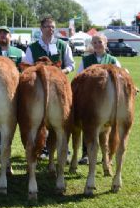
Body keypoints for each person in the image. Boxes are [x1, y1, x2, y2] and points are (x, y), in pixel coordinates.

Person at [24, 16, 75, 159]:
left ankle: (63, 148)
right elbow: (27, 67)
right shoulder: (32, 47)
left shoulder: (63, 45)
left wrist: (60, 72)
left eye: (53, 26)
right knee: (39, 118)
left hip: (59, 87)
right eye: (47, 26)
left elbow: (71, 65)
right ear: (41, 29)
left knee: (62, 118)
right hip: (38, 88)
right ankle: (42, 148)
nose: (51, 29)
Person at [76, 34, 121, 165]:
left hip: (109, 99)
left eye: (99, 42)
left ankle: (107, 155)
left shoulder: (113, 60)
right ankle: (86, 154)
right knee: (88, 125)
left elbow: (122, 76)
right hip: (90, 99)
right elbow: (79, 77)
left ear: (105, 44)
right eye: (94, 42)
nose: (96, 45)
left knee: (109, 127)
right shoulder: (86, 60)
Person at [0, 26, 26, 154]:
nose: (2, 36)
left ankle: (3, 144)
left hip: (13, 93)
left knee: (9, 119)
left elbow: (25, 71)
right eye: (0, 34)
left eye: (5, 33)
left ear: (10, 36)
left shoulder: (19, 53)